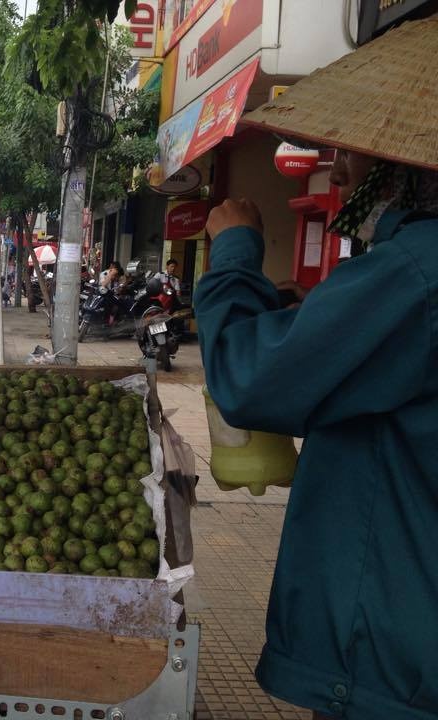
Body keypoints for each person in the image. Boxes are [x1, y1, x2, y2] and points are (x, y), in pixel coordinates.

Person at [194, 150, 438, 720]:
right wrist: (319, 316)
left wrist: (235, 250)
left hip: (395, 656)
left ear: (411, 164)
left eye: (356, 155)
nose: (341, 172)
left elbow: (247, 377)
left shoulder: (416, 268)